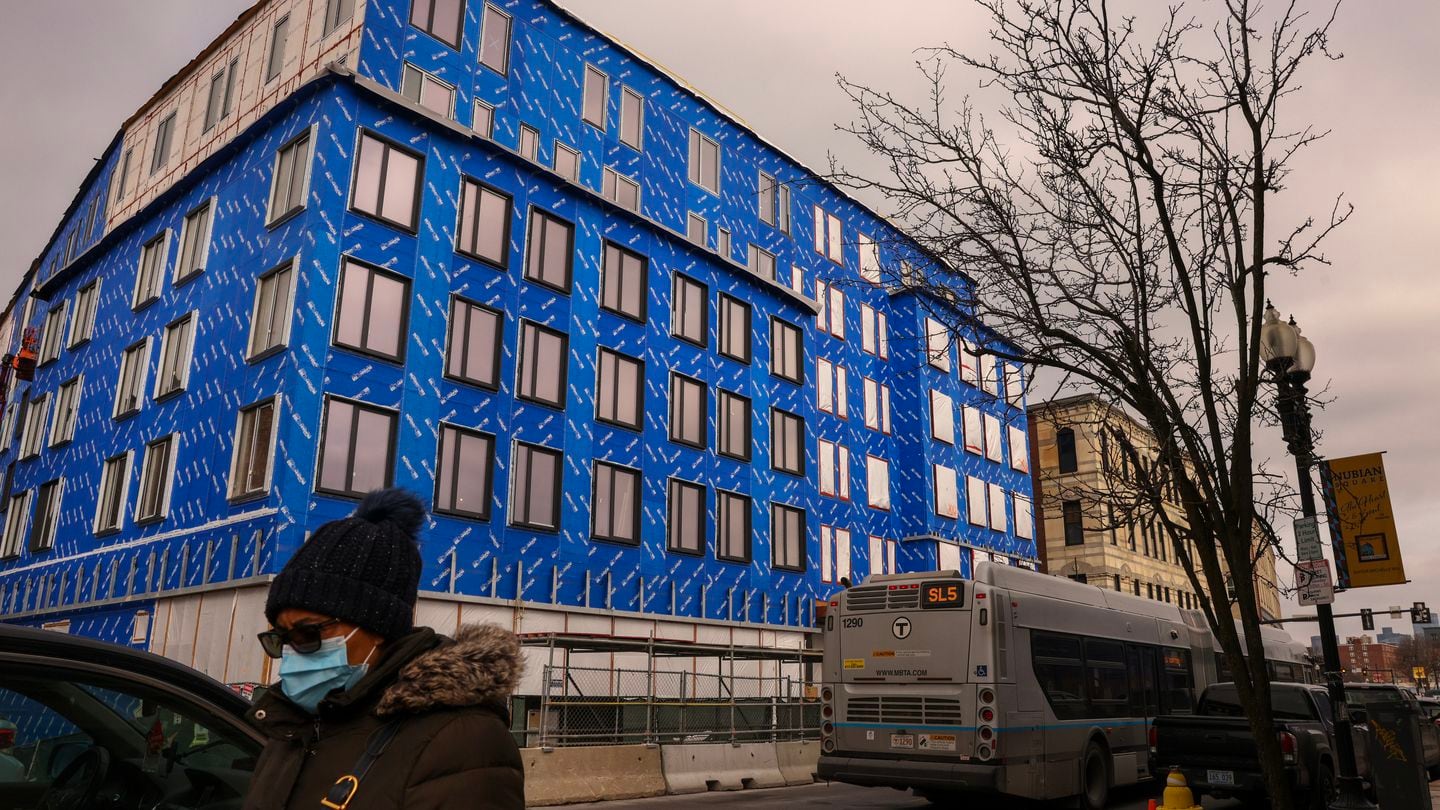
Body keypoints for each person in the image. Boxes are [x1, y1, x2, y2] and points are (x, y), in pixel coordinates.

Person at [242, 488, 525, 809]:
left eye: (308, 633)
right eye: (282, 637)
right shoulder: (292, 727)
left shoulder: (462, 741)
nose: (292, 652)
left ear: (377, 627)